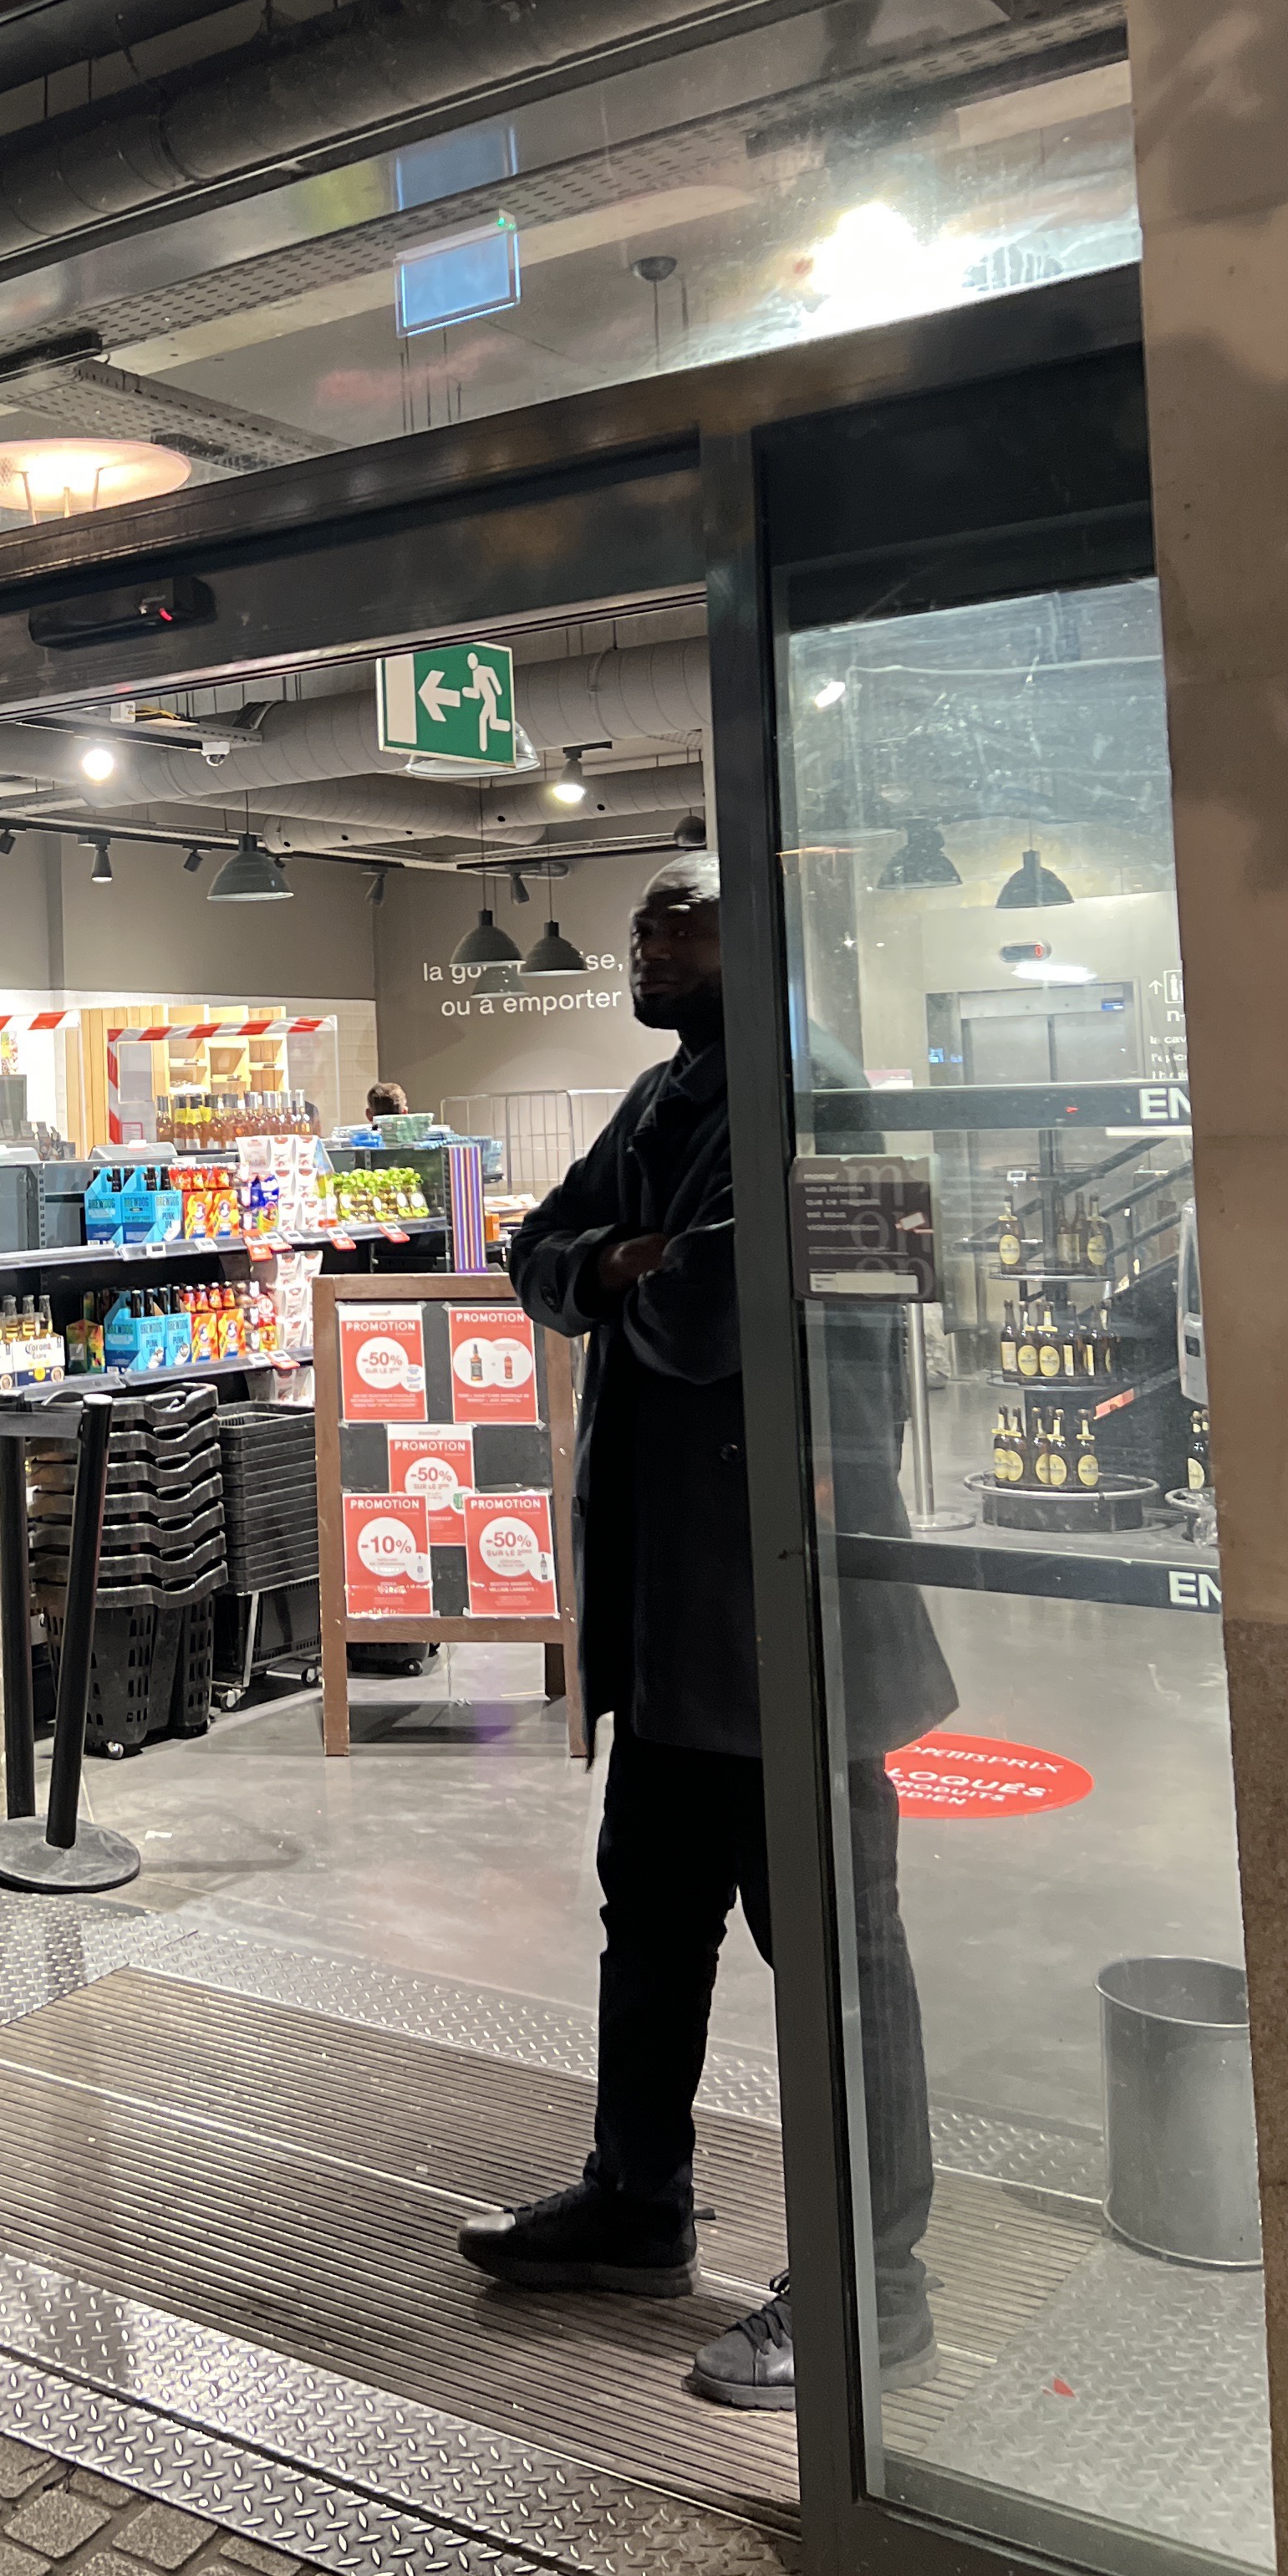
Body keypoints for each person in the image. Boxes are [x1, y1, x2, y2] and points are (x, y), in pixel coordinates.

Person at [458, 853, 951, 2409]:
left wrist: (633, 1272)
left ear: (763, 932)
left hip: (793, 1616)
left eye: (682, 918)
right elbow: (539, 1255)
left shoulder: (822, 1098)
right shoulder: (665, 1098)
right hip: (676, 1624)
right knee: (652, 1923)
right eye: (642, 923)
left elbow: (717, 1315)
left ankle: (876, 2286)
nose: (646, 941)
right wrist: (618, 1260)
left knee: (838, 1958)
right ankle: (637, 2202)